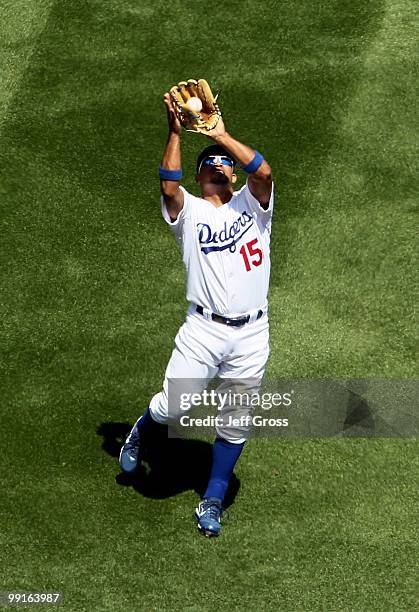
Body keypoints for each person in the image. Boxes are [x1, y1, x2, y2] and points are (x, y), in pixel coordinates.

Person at [119, 92, 274, 537]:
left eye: (224, 163)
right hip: (202, 329)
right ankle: (142, 430)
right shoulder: (189, 213)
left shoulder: (255, 207)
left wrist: (220, 134)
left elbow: (262, 171)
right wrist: (174, 131)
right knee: (175, 406)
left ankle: (213, 496)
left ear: (230, 174)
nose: (219, 167)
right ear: (202, 174)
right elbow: (168, 186)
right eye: (211, 162)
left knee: (237, 418)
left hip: (252, 334)